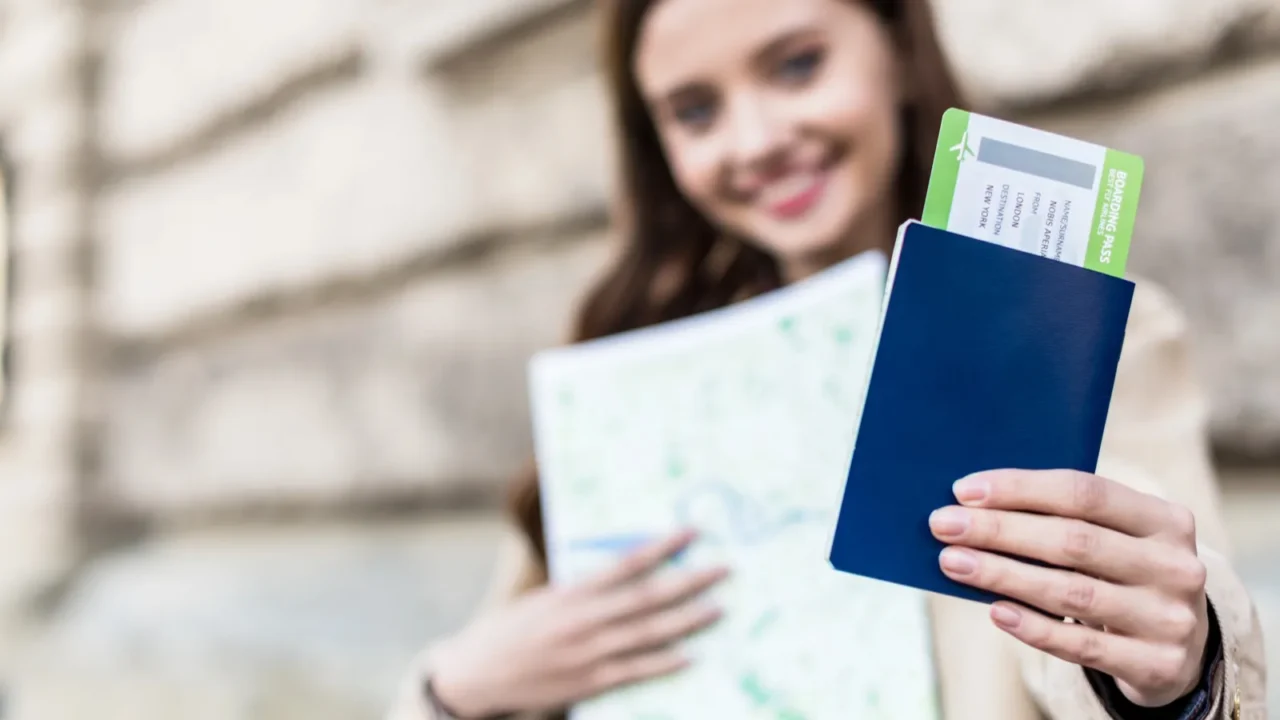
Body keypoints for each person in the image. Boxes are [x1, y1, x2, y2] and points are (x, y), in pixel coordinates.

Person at [389, 0, 1267, 718]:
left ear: (896, 46)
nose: (755, 139)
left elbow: (1146, 624)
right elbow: (514, 648)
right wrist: (452, 691)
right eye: (695, 111)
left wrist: (1177, 671)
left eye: (797, 64)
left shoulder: (1079, 330)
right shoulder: (635, 386)